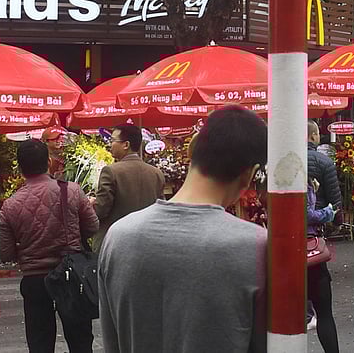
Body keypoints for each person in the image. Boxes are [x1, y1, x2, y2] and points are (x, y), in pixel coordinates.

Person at [99, 106, 268, 353]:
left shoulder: (118, 237)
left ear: (192, 153)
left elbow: (112, 342)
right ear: (249, 174)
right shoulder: (258, 247)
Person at [0, 139, 99, 353]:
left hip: (35, 279)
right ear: (48, 162)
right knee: (80, 340)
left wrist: (27, 251)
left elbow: (5, 252)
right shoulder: (71, 191)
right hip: (72, 277)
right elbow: (92, 226)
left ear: (20, 166)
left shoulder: (11, 205)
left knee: (40, 342)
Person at [93, 124, 165, 245]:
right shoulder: (156, 173)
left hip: (115, 240)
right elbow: (161, 208)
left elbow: (101, 210)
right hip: (148, 240)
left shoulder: (111, 171)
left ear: (126, 145)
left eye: (113, 140)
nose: (110, 144)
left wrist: (91, 205)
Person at [306, 174, 338, 353]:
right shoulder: (300, 180)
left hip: (281, 249)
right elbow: (306, 214)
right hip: (310, 249)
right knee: (324, 312)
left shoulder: (269, 177)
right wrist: (328, 213)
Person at [307, 120, 342, 209]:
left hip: (291, 216)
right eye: (318, 133)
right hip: (318, 215)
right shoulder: (325, 162)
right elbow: (334, 197)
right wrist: (338, 221)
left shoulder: (286, 160)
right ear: (313, 136)